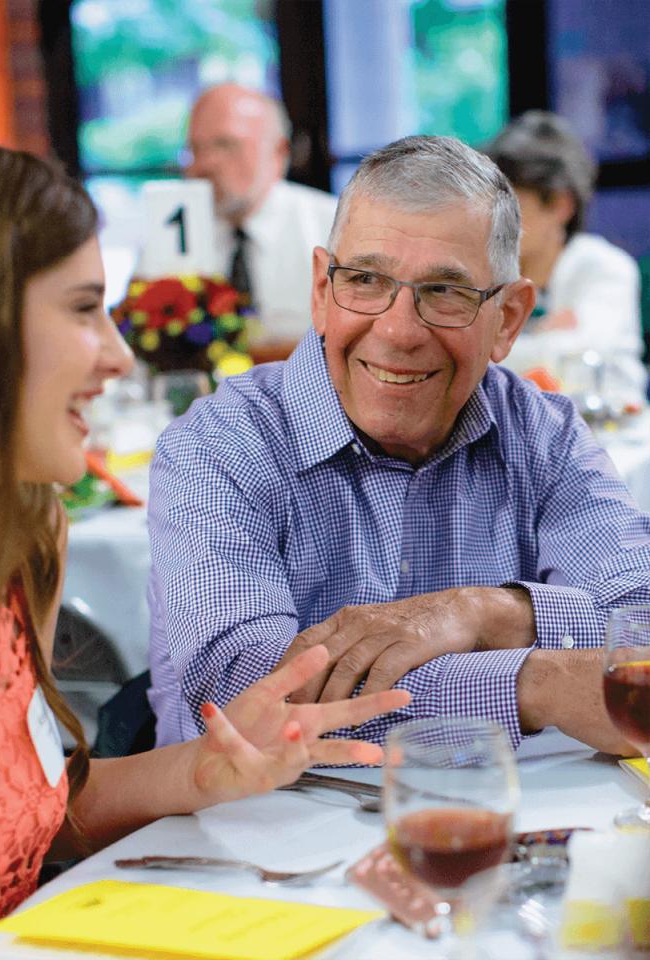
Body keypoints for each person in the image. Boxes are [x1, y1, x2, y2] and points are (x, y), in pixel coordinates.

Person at [0, 138, 410, 959]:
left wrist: (202, 774)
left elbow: (41, 809)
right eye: (85, 309)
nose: (119, 357)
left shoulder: (20, 536)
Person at [147, 134, 650, 754]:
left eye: (446, 292)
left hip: (503, 826)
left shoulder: (545, 436)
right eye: (364, 279)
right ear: (321, 290)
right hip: (252, 840)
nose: (398, 331)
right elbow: (247, 695)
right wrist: (535, 681)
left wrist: (490, 613)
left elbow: (643, 627)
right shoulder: (219, 444)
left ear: (510, 319)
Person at [485, 111, 645, 407]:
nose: (495, 219)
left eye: (510, 204)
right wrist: (545, 339)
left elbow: (580, 357)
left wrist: (496, 346)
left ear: (561, 204)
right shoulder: (490, 271)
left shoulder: (603, 266)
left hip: (615, 438)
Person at [183, 83, 337, 346]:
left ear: (279, 152)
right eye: (195, 149)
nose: (205, 164)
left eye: (225, 145)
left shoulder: (333, 226)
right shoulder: (174, 234)